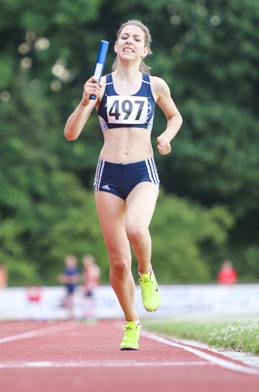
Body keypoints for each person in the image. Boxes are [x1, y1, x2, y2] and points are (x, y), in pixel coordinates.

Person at [64, 20, 182, 351]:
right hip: (109, 176)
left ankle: (146, 273)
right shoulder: (99, 84)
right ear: (115, 46)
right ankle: (132, 323)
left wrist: (166, 137)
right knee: (118, 263)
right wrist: (85, 101)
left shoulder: (155, 85)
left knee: (136, 228)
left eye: (136, 38)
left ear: (145, 50)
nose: (129, 41)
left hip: (143, 171)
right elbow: (71, 133)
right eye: (124, 37)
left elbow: (175, 117)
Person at [82, 254, 101, 321]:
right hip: (88, 286)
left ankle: (92, 316)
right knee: (87, 301)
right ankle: (87, 316)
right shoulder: (86, 268)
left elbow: (94, 278)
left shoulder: (93, 268)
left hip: (92, 286)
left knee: (91, 302)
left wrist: (89, 286)